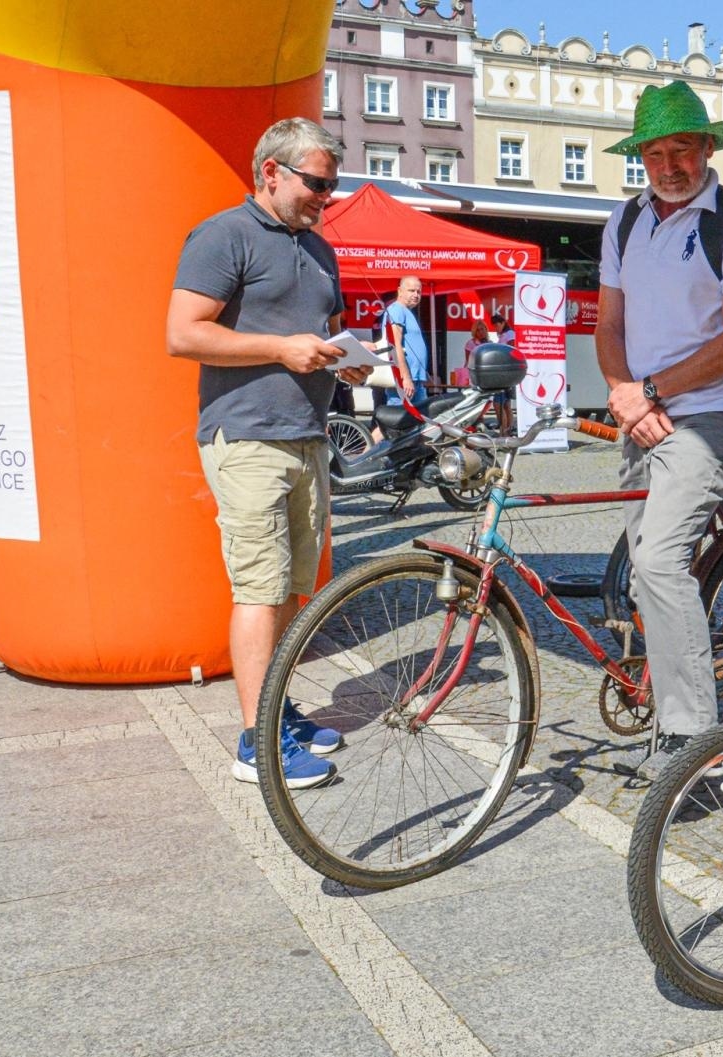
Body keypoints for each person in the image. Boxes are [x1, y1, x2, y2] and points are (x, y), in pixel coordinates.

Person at [167, 117, 371, 788]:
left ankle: (277, 710)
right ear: (272, 173)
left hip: (306, 436)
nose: (327, 196)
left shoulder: (318, 249)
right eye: (318, 183)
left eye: (333, 185)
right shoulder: (223, 235)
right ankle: (256, 742)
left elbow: (324, 333)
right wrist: (280, 348)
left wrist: (345, 363)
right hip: (247, 436)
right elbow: (183, 334)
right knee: (258, 587)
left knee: (291, 586)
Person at [594, 80, 723, 779]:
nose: (669, 165)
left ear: (708, 148)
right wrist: (622, 393)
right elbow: (607, 325)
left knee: (660, 561)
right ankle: (675, 695)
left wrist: (648, 392)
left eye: (682, 149)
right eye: (655, 152)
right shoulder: (624, 222)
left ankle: (692, 742)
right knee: (649, 578)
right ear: (640, 156)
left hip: (708, 415)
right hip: (642, 412)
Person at [382, 275, 428, 407]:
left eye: (418, 291)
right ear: (399, 291)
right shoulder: (397, 310)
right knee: (397, 422)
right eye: (411, 291)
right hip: (406, 380)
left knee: (417, 423)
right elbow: (395, 345)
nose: (416, 295)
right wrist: (405, 377)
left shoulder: (407, 312)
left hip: (415, 379)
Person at [458, 316, 489, 388]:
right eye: (478, 330)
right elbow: (468, 361)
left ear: (486, 330)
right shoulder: (471, 343)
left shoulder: (490, 343)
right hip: (473, 374)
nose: (481, 332)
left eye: (482, 329)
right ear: (475, 332)